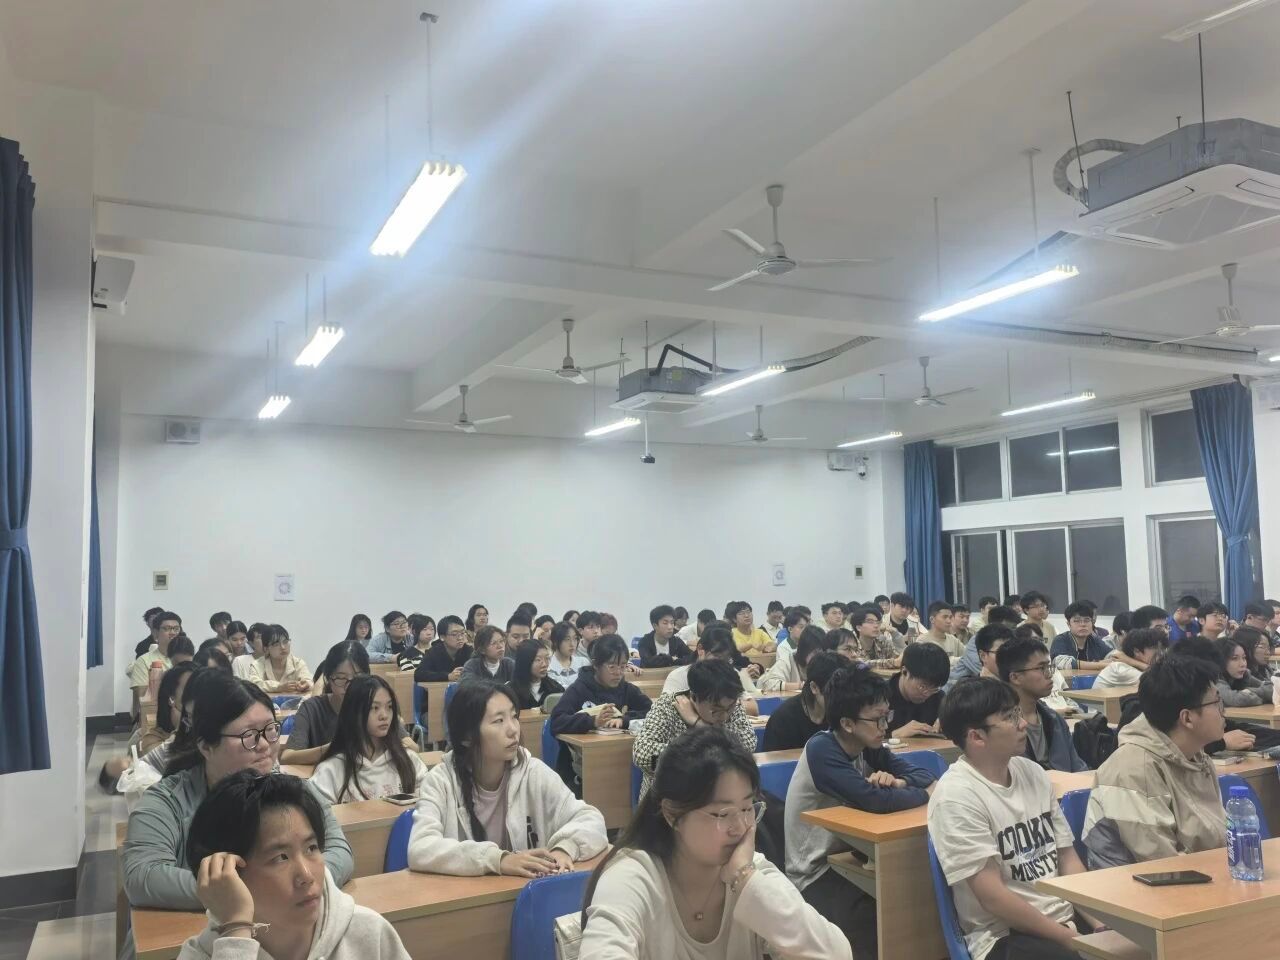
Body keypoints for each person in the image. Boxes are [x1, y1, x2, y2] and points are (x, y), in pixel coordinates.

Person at [580, 724, 850, 959]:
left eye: (747, 808)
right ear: (672, 814)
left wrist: (745, 879)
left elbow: (836, 953)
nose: (740, 827)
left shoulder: (748, 871)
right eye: (723, 813)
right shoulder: (634, 877)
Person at [122, 673, 353, 909]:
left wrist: (284, 885)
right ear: (206, 746)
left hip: (284, 923)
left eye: (270, 730)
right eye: (248, 736)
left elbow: (340, 852)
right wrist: (247, 892)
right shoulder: (168, 801)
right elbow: (142, 876)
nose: (264, 745)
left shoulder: (295, 792)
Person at [928, 678, 1092, 960]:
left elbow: (1068, 859)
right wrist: (1071, 939)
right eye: (1009, 717)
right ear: (976, 737)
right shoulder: (955, 797)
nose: (1023, 723)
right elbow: (993, 898)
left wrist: (1102, 922)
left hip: (1064, 920)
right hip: (1005, 936)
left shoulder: (1032, 772)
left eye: (1018, 713)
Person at [785, 667, 936, 958]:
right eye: (878, 719)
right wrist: (923, 794)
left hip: (853, 855)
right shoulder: (822, 749)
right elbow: (874, 800)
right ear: (847, 723)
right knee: (877, 920)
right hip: (815, 871)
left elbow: (922, 774)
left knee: (915, 898)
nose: (885, 727)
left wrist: (900, 783)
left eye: (887, 717)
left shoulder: (869, 745)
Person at [179, 771, 410, 960]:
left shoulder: (368, 933)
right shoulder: (200, 955)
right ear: (230, 873)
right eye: (281, 857)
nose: (306, 875)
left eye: (311, 848)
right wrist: (237, 931)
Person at [408, 679, 607, 875]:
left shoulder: (533, 772)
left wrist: (565, 848)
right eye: (499, 721)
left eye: (514, 716)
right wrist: (498, 859)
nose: (513, 729)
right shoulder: (440, 782)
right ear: (466, 737)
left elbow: (590, 819)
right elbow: (421, 848)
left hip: (523, 891)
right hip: (463, 893)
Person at [1082, 654, 1225, 870]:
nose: (1224, 711)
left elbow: (1218, 838)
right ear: (1187, 718)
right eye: (1217, 702)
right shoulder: (1133, 769)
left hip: (1201, 875)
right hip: (1134, 886)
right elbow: (1162, 864)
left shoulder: (1196, 756)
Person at [633, 660, 757, 801]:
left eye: (730, 708)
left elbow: (748, 744)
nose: (724, 716)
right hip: (670, 797)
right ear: (693, 697)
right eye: (715, 710)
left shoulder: (730, 705)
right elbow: (642, 754)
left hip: (720, 795)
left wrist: (700, 725)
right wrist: (698, 759)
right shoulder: (667, 706)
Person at [550, 635, 653, 789]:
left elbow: (651, 710)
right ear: (596, 665)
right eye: (611, 667)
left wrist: (624, 720)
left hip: (618, 760)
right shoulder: (579, 689)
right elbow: (556, 721)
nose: (618, 673)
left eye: (623, 666)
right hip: (579, 771)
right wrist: (592, 721)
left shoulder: (626, 689)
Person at [281, 642, 409, 766]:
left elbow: (412, 747)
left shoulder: (376, 707)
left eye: (357, 678)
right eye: (341, 678)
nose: (349, 686)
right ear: (328, 679)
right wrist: (333, 748)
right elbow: (287, 757)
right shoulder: (312, 708)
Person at [311, 675, 430, 804]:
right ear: (355, 713)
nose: (384, 715)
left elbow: (430, 800)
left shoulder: (408, 760)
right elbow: (317, 813)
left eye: (389, 707)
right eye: (375, 708)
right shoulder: (331, 770)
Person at [996, 638, 1089, 773]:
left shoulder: (1054, 719)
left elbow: (1078, 768)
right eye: (1041, 668)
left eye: (1049, 667)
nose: (1049, 674)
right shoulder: (1000, 728)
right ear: (1015, 677)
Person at [762, 652, 844, 752]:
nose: (840, 699)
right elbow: (774, 759)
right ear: (814, 687)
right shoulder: (783, 719)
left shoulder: (843, 714)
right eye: (834, 692)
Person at [662, 625, 763, 706]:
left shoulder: (729, 673)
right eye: (717, 657)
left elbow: (752, 707)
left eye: (727, 660)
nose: (721, 664)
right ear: (700, 650)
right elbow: (667, 709)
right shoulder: (678, 676)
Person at [886, 640, 949, 738]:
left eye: (935, 688)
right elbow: (865, 741)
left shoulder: (938, 698)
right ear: (905, 672)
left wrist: (948, 726)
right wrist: (893, 736)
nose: (927, 694)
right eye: (922, 686)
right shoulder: (879, 697)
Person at [128, 610, 181, 719]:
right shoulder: (144, 661)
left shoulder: (185, 657)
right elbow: (143, 698)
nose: (172, 633)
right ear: (156, 633)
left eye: (176, 629)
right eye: (167, 629)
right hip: (155, 716)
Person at [759, 624, 835, 693]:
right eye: (815, 652)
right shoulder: (788, 659)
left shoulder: (825, 662)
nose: (819, 657)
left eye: (822, 653)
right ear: (804, 650)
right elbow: (769, 684)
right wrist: (801, 686)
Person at [249, 625, 312, 694]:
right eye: (276, 644)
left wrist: (306, 684)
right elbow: (253, 685)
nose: (283, 647)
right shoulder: (257, 665)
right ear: (266, 649)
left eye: (285, 642)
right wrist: (278, 687)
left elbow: (309, 681)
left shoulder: (298, 663)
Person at [1049, 602, 1113, 669]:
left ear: (1092, 622)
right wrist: (1099, 664)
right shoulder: (1060, 640)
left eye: (1087, 620)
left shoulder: (1094, 640)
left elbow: (1113, 656)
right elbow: (1063, 663)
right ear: (1068, 624)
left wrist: (1100, 663)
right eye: (1077, 621)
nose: (1083, 624)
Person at [1093, 628, 1163, 689]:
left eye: (1161, 648)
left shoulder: (1133, 666)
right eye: (1154, 648)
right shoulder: (1120, 668)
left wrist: (1132, 662)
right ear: (1136, 651)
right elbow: (1161, 681)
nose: (1160, 653)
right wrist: (1136, 663)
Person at [1215, 633, 1273, 705]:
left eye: (1244, 658)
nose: (1243, 664)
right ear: (1221, 660)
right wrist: (1262, 697)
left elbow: (1272, 689)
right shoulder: (1214, 679)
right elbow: (1238, 699)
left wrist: (1249, 691)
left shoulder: (1245, 674)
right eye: (1235, 658)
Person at [508, 638, 565, 710]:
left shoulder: (556, 689)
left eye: (547, 658)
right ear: (524, 662)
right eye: (538, 660)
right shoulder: (510, 692)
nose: (544, 664)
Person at [413, 614, 472, 683]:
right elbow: (419, 675)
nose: (460, 638)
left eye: (462, 633)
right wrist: (448, 676)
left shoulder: (469, 651)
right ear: (442, 637)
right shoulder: (434, 652)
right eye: (454, 634)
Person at [547, 621, 589, 685]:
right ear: (555, 641)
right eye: (567, 639)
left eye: (575, 638)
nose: (572, 644)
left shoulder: (583, 663)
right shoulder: (548, 667)